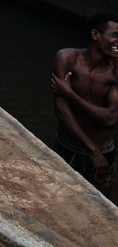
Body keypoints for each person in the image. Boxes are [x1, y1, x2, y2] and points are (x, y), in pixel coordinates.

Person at [51, 11, 118, 197]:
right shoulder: (67, 58)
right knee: (56, 204)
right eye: (116, 35)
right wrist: (93, 150)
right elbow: (61, 110)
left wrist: (71, 94)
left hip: (104, 154)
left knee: (102, 212)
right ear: (95, 35)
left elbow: (110, 119)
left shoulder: (116, 71)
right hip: (67, 148)